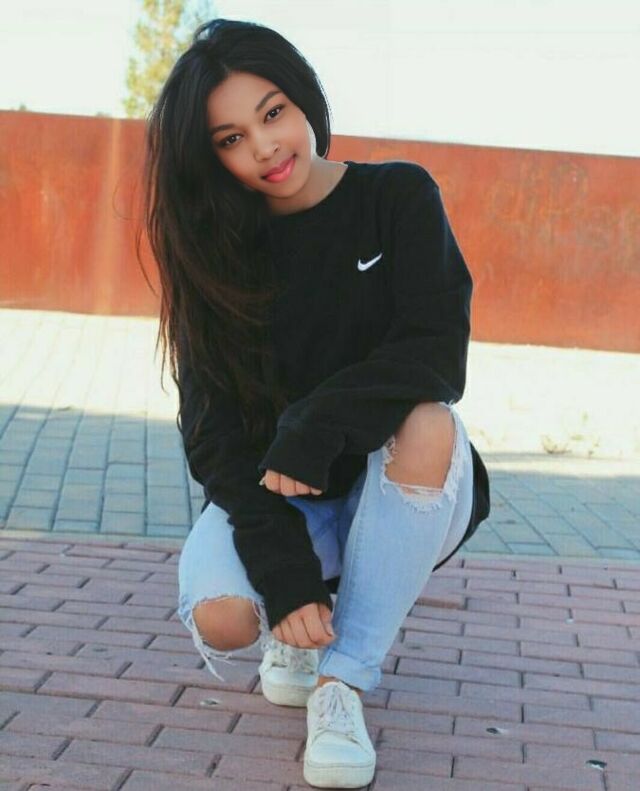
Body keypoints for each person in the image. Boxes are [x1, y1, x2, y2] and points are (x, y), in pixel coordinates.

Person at [141, 17, 491, 790]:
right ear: (211, 158)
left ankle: (342, 681)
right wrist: (286, 575)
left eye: (273, 113)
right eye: (232, 139)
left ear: (302, 97)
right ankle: (296, 626)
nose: (266, 147)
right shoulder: (217, 251)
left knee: (428, 419)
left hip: (399, 482)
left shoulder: (396, 195)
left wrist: (315, 421)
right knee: (223, 616)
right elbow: (211, 434)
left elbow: (436, 350)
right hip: (282, 496)